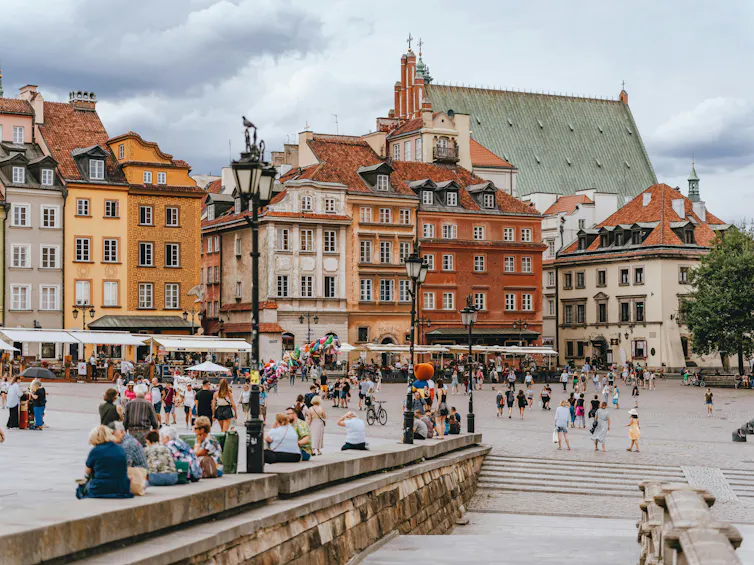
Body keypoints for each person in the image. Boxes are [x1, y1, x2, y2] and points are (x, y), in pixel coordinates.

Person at [77, 425, 132, 499]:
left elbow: (87, 471)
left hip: (100, 489)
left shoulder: (95, 451)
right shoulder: (120, 449)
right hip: (121, 489)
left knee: (80, 490)